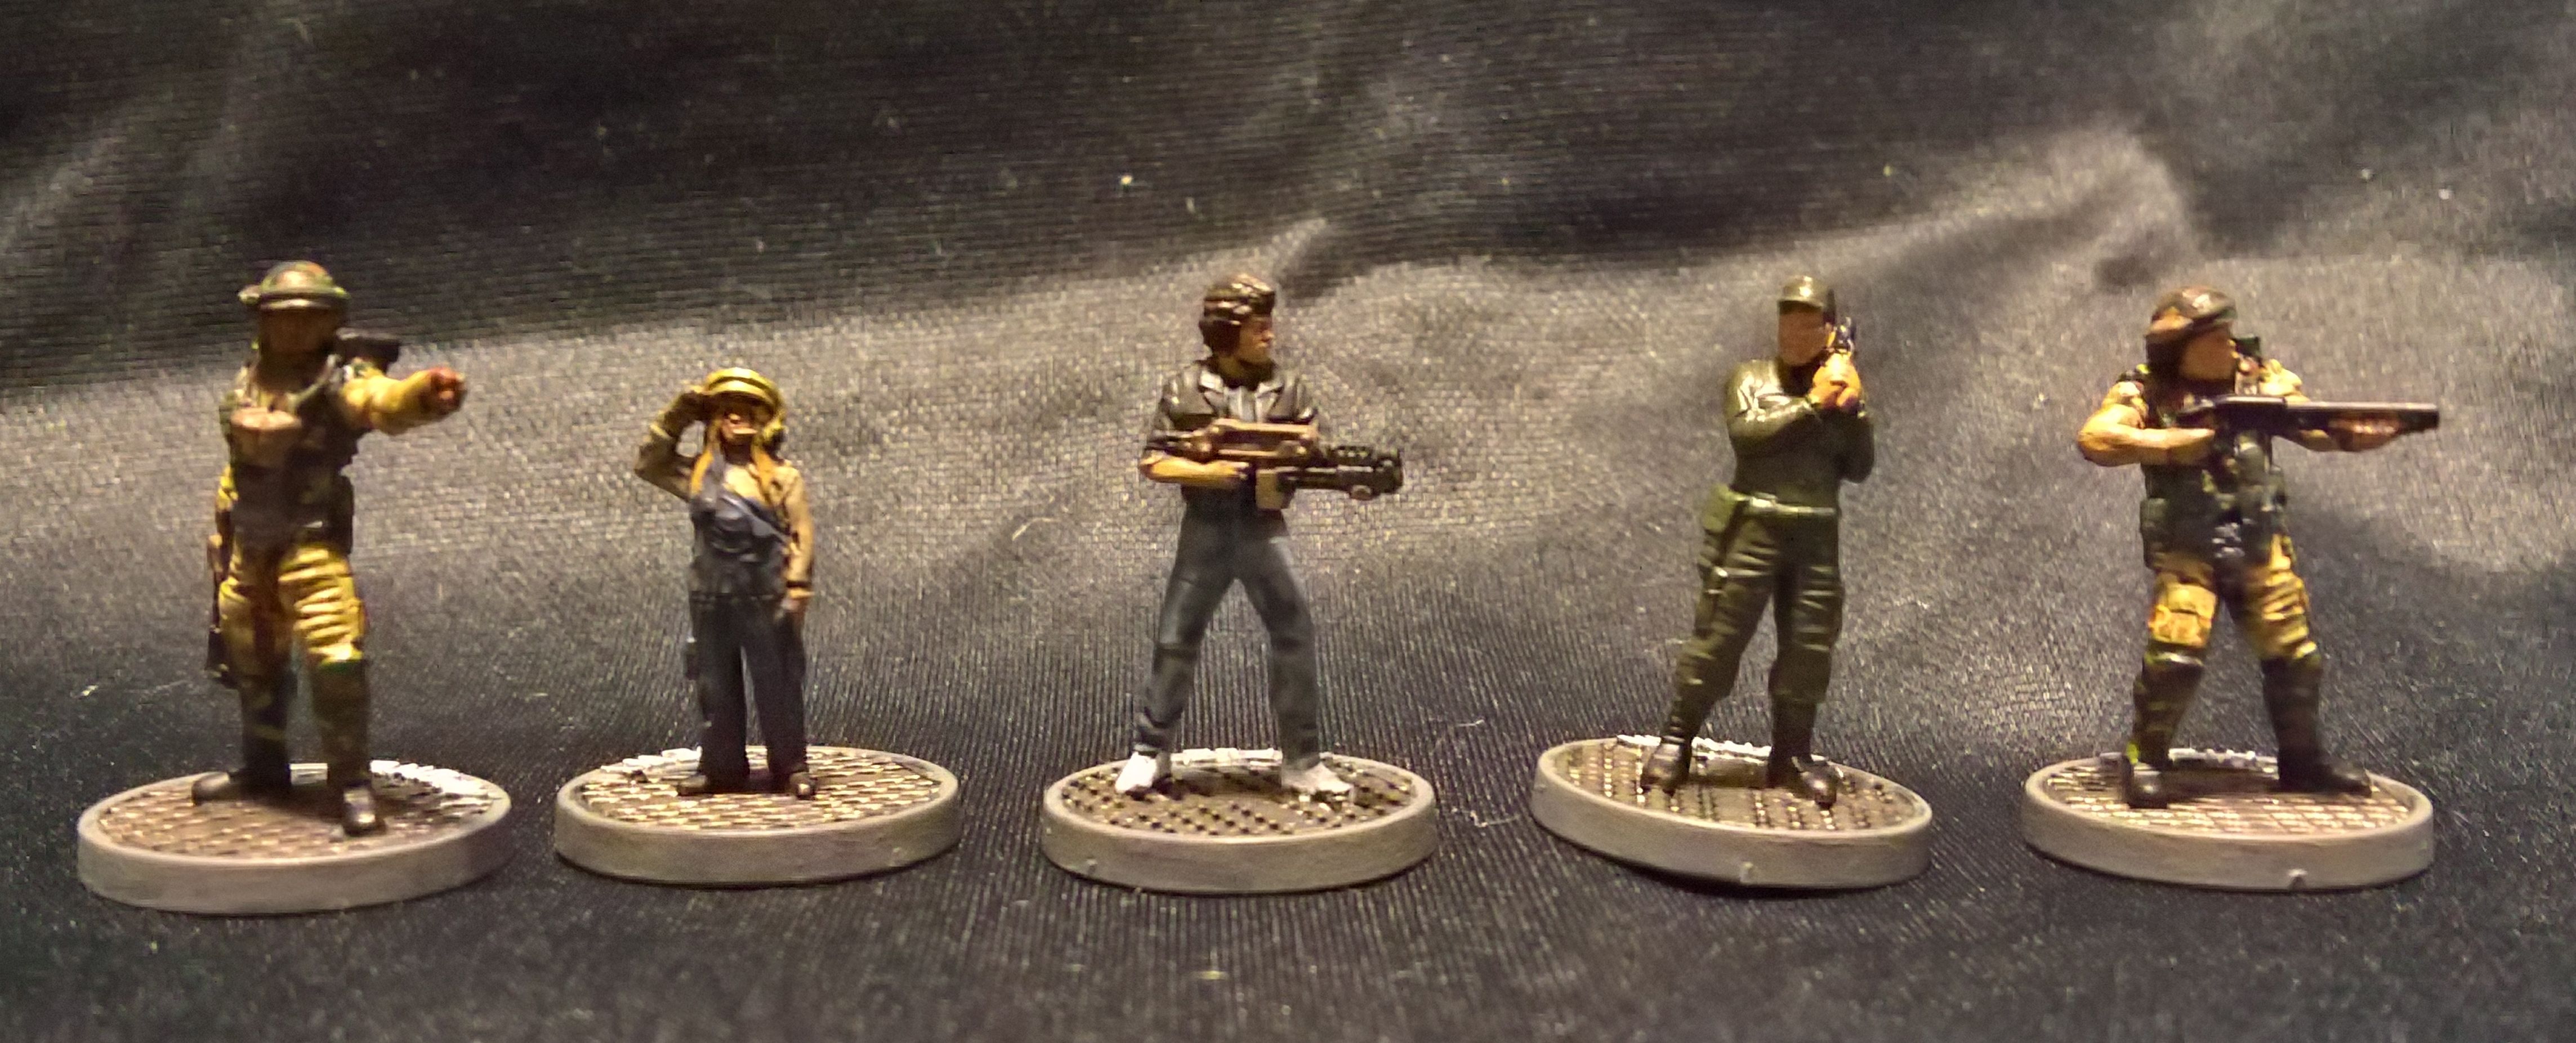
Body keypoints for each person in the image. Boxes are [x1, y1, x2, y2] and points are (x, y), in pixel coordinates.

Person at [2075, 286, 2408, 808]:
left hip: (2257, 540)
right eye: (2216, 338)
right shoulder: (2147, 389)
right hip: (2188, 548)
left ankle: (2302, 761)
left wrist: (2351, 434)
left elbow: (2311, 425)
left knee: (2295, 657)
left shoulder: (2259, 379)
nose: (2230, 346)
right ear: (2181, 347)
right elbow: (2096, 438)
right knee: (2175, 658)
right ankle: (2145, 757)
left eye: (2229, 334)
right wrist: (2171, 444)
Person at [195, 261, 467, 835]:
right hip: (250, 545)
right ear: (263, 321)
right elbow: (238, 468)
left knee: (337, 660)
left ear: (330, 323)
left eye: (309, 318)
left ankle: (350, 782)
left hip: (309, 546)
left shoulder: (338, 380)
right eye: (283, 317)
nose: (295, 329)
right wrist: (222, 530)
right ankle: (264, 767)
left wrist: (422, 395)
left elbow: (379, 401)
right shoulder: (251, 378)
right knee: (253, 661)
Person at [1639, 276, 1872, 806]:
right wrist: (1814, 404)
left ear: (1828, 331)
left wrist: (1853, 411)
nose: (1794, 335)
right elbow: (1749, 435)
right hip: (1755, 528)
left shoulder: (1840, 388)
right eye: (1787, 324)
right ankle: (1676, 739)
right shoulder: (1750, 378)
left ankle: (1791, 756)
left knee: (1808, 648)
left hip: (1815, 534)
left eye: (1807, 326)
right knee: (1719, 637)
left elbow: (1859, 468)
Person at [1117, 274, 1347, 797]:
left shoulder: (1289, 389)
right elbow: (1153, 461)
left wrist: (1309, 460)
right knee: (1175, 638)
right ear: (1227, 332)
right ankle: (1149, 751)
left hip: (1263, 529)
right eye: (1257, 327)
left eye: (1269, 325)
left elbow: (1313, 448)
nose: (1269, 336)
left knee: (1294, 634)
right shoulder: (1185, 388)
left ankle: (1303, 760)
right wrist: (1211, 473)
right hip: (1207, 531)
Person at [635, 368, 818, 799]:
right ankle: (720, 767)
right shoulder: (700, 475)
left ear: (764, 419)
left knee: (777, 684)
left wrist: (797, 587)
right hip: (710, 595)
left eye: (747, 409)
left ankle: (791, 765)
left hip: (765, 595)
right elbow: (649, 464)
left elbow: (801, 533)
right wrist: (679, 413)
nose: (737, 417)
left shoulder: (781, 478)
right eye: (726, 410)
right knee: (714, 686)